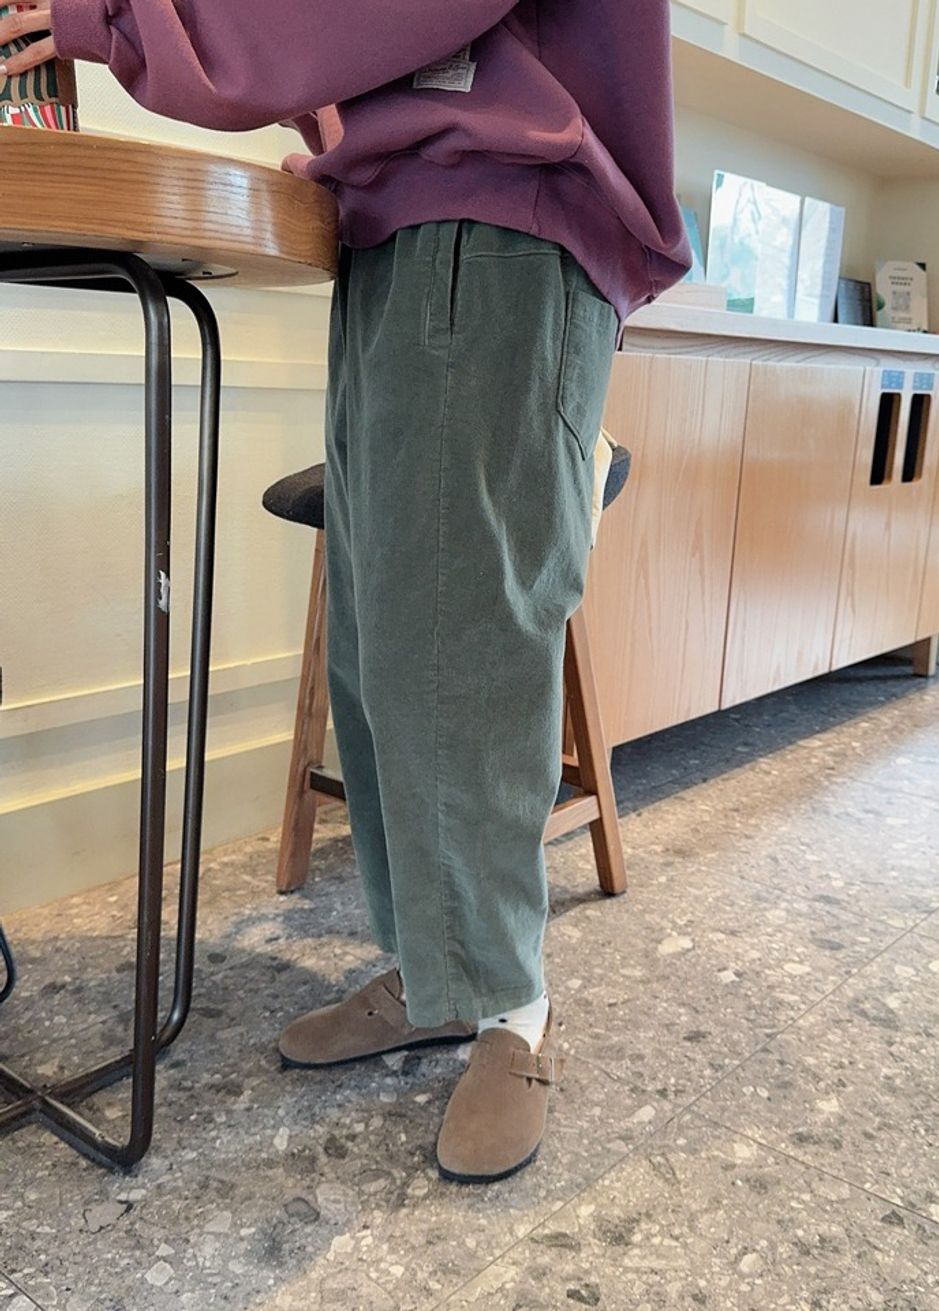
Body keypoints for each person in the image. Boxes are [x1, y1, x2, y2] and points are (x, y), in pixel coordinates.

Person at [1, 0, 691, 1183]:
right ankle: (441, 974)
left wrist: (113, 20)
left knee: (457, 646)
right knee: (382, 646)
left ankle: (512, 1008)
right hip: (418, 226)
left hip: (497, 224)